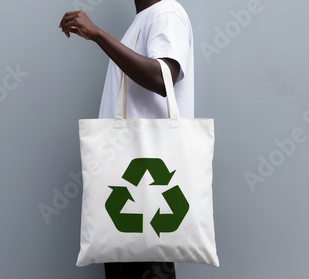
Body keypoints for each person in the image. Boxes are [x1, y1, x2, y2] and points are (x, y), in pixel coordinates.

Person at [59, 0, 194, 278]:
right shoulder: (144, 19)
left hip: (149, 177)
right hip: (132, 173)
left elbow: (162, 76)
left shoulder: (166, 12)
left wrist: (98, 35)